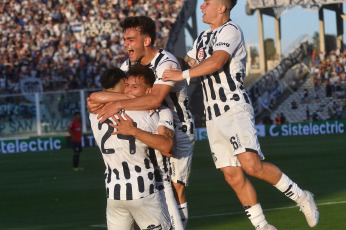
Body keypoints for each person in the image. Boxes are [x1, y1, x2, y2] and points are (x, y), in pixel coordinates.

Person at [162, 0, 319, 229]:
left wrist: (182, 75)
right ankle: (263, 226)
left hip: (233, 108)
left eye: (207, 3)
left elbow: (216, 62)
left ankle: (302, 196)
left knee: (252, 166)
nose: (202, 6)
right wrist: (159, 59)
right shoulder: (203, 37)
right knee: (232, 175)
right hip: (212, 115)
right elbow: (188, 61)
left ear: (222, 7)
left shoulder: (231, 30)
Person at [91, 16, 195, 228]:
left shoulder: (166, 62)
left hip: (176, 126)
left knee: (175, 188)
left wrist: (119, 103)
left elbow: (155, 99)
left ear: (146, 41)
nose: (125, 44)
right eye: (125, 39)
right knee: (153, 185)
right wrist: (106, 100)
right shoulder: (128, 65)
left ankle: (178, 226)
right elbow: (110, 94)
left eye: (130, 39)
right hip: (147, 124)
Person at [89, 66, 173, 230]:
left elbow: (93, 98)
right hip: (143, 190)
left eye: (134, 87)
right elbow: (168, 147)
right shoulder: (150, 112)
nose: (129, 90)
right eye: (127, 85)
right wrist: (134, 130)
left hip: (114, 192)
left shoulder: (96, 112)